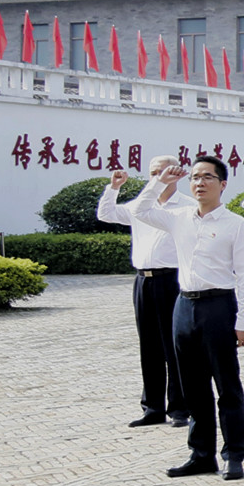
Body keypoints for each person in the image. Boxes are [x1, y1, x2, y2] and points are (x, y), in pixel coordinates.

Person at [127, 156, 244, 481]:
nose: (200, 183)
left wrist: (243, 320)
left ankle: (233, 455)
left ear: (223, 184)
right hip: (183, 306)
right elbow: (140, 211)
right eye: (195, 177)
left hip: (219, 307)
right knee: (193, 388)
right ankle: (201, 454)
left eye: (208, 177)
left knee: (226, 386)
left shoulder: (235, 225)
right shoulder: (179, 218)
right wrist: (160, 181)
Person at [97, 156, 195, 429]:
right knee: (149, 345)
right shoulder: (141, 204)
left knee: (174, 345)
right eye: (153, 172)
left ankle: (180, 407)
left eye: (163, 171)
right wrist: (114, 187)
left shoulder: (187, 206)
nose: (158, 177)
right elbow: (106, 214)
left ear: (176, 174)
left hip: (173, 280)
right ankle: (152, 407)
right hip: (144, 281)